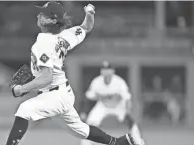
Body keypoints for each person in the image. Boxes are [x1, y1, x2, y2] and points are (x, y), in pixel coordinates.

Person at [9, 2, 143, 145]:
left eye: (44, 14)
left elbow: (47, 78)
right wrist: (89, 14)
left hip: (54, 95)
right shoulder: (65, 36)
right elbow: (86, 27)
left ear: (53, 20)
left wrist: (21, 89)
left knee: (24, 109)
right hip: (62, 93)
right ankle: (120, 142)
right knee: (82, 131)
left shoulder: (44, 43)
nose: (39, 16)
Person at [80, 61, 144, 145]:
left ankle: (138, 142)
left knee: (131, 122)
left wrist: (128, 111)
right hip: (103, 105)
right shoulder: (96, 82)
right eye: (104, 69)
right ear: (101, 71)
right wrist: (84, 112)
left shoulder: (119, 82)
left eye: (108, 69)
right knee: (89, 124)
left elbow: (127, 98)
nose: (106, 71)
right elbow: (88, 97)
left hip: (118, 106)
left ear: (112, 71)